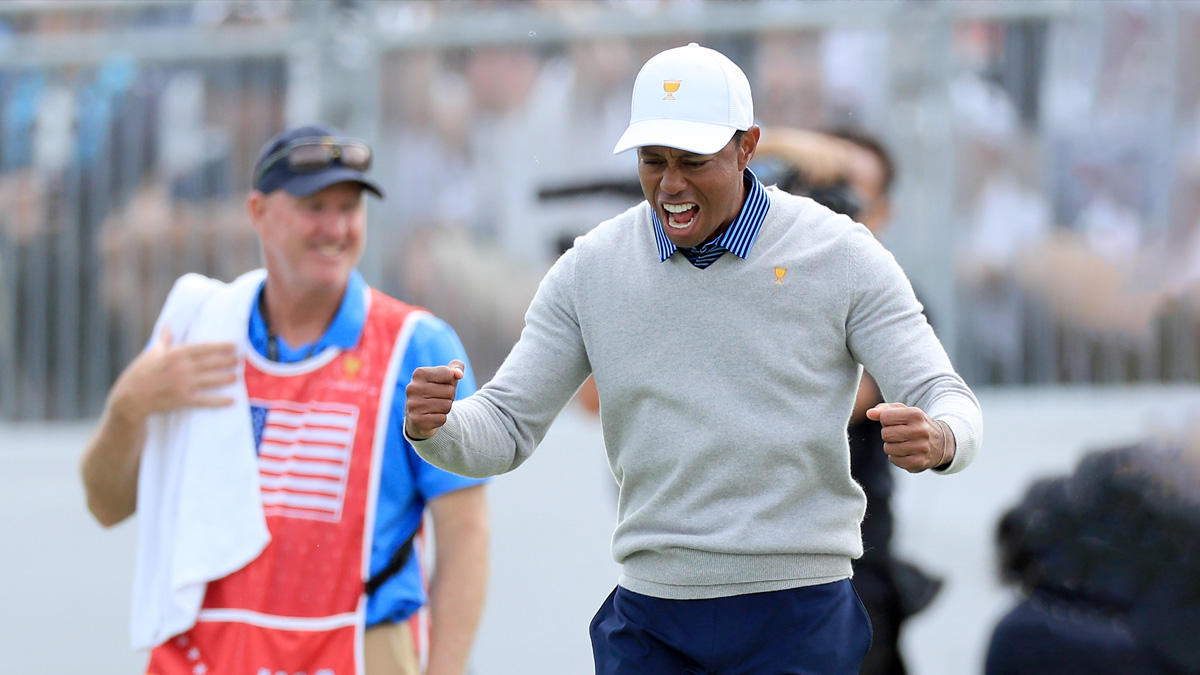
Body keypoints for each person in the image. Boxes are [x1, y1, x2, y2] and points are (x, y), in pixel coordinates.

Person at [405, 43, 982, 675]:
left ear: (747, 147)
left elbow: (943, 393)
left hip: (799, 614)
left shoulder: (840, 252)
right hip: (653, 616)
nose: (671, 184)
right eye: (653, 162)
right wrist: (439, 428)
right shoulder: (591, 267)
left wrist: (943, 438)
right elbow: (507, 427)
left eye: (693, 161)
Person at [79, 123, 488, 675]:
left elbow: (465, 535)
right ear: (258, 213)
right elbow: (106, 506)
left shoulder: (417, 344)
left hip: (355, 652)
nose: (337, 227)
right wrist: (128, 408)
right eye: (315, 206)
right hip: (206, 652)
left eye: (350, 207)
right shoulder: (199, 330)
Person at [755, 125, 945, 675]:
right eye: (816, 185)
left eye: (848, 190)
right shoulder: (739, 280)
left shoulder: (894, 302)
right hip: (737, 575)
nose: (830, 205)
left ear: (882, 211)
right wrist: (781, 144)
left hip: (844, 575)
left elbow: (833, 400)